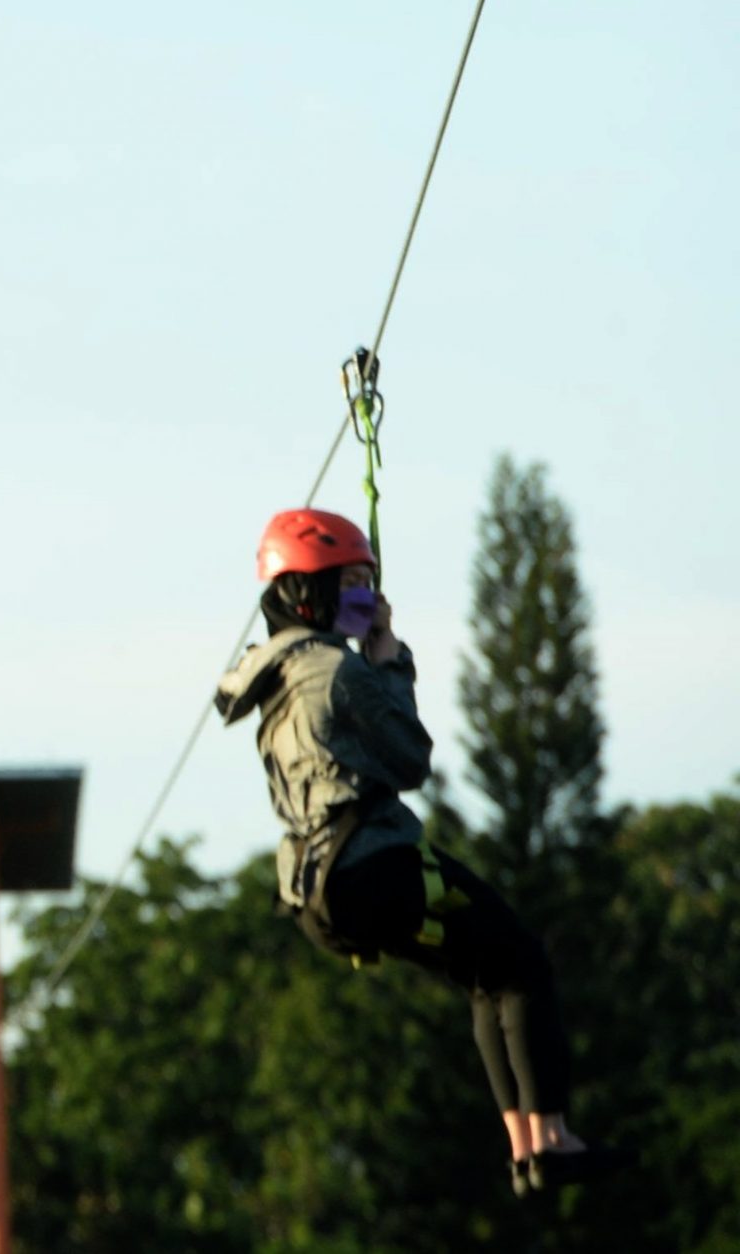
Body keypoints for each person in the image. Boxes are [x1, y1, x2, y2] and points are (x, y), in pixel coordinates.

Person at [215, 507, 619, 1196]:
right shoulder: (332, 671)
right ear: (306, 593)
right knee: (521, 961)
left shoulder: (268, 673)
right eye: (350, 586)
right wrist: (390, 661)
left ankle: (529, 1150)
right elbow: (410, 758)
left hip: (317, 893)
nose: (363, 600)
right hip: (372, 869)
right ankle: (548, 1138)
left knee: (489, 975)